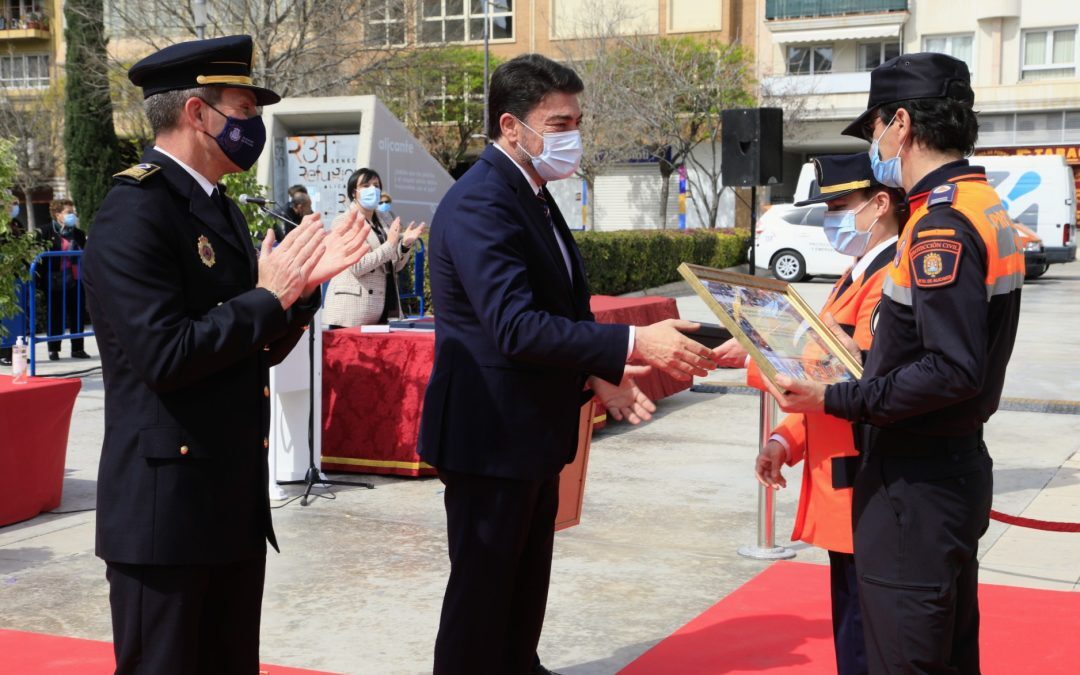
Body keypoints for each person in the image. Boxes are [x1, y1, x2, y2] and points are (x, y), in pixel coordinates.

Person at [417, 53, 718, 674]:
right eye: (558, 123)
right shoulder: (482, 200)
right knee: (481, 597)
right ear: (510, 127)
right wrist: (634, 346)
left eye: (577, 120)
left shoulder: (534, 194)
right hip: (488, 435)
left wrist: (602, 377)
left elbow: (564, 306)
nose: (572, 135)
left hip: (530, 430)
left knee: (523, 586)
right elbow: (515, 325)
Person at [82, 35, 370, 675]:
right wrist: (269, 296)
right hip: (167, 516)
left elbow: (249, 349)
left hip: (227, 505)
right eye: (243, 110)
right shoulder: (136, 211)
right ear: (196, 114)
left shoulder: (221, 211)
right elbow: (166, 355)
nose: (253, 127)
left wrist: (297, 297)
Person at [766, 53, 1024, 673]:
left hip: (915, 482)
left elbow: (950, 368)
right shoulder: (982, 203)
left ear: (901, 124)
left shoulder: (941, 225)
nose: (877, 142)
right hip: (948, 469)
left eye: (877, 126)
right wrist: (864, 355)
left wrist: (836, 398)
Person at [714, 153, 905, 675]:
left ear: (882, 203)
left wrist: (760, 351)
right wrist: (784, 442)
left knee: (867, 635)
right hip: (839, 478)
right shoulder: (856, 272)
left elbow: (847, 376)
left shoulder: (891, 277)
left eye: (840, 206)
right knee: (851, 624)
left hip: (866, 480)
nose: (830, 220)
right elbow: (820, 385)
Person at [323, 168, 424, 328]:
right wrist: (390, 245)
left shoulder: (385, 220)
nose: (373, 189)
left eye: (376, 185)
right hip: (351, 311)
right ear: (354, 193)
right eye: (366, 185)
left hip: (381, 307)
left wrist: (404, 245)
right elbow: (357, 266)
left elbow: (394, 266)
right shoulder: (344, 222)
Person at [44, 198, 90, 360]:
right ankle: (53, 348)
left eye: (73, 212)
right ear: (58, 214)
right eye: (69, 213)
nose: (73, 216)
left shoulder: (78, 233)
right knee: (55, 314)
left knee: (77, 313)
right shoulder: (46, 232)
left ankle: (78, 348)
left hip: (76, 280)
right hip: (55, 279)